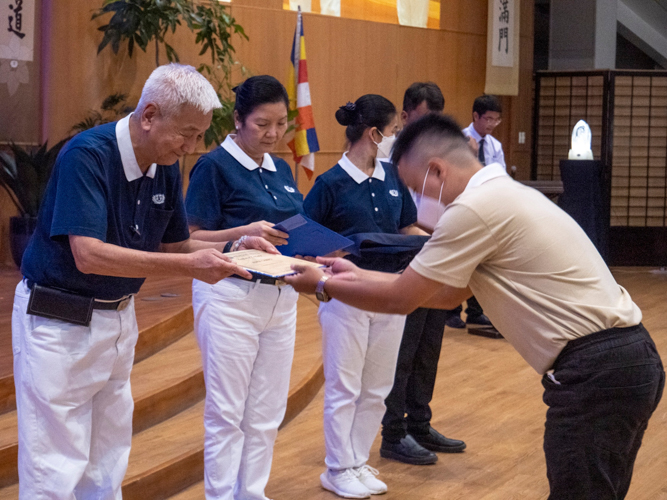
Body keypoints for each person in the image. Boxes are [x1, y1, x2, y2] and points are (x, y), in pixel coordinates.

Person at [285, 114, 664, 500]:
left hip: (594, 371)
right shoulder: (504, 192)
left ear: (436, 171)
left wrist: (323, 285)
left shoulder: (472, 210)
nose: (420, 202)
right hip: (627, 360)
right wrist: (352, 274)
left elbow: (402, 298)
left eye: (418, 189)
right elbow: (446, 294)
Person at [12, 63, 276, 500]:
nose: (192, 147)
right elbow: (89, 254)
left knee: (108, 460)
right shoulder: (88, 154)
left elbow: (176, 246)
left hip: (117, 320)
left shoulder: (163, 161)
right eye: (186, 134)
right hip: (59, 322)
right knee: (54, 468)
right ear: (149, 114)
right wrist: (193, 268)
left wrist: (234, 245)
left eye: (199, 137)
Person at [185, 75, 304, 500]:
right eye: (262, 124)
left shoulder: (283, 167)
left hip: (282, 298)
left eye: (281, 124)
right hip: (230, 298)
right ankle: (219, 495)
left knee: (267, 412)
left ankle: (252, 493)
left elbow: (294, 229)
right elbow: (189, 238)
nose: (273, 134)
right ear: (237, 120)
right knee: (227, 412)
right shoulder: (213, 166)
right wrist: (243, 231)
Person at [303, 95, 421, 498]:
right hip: (346, 298)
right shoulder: (328, 184)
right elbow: (303, 245)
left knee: (377, 386)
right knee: (344, 385)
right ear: (374, 134)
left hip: (392, 294)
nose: (396, 138)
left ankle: (356, 459)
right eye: (393, 132)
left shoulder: (393, 179)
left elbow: (408, 230)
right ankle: (337, 467)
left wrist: (446, 246)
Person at [380, 82, 466, 467]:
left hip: (438, 254)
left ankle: (419, 422)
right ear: (404, 115)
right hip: (405, 260)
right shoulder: (385, 157)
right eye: (423, 118)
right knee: (403, 351)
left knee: (429, 347)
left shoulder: (440, 157)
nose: (428, 128)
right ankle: (393, 433)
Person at [449, 94, 506, 330]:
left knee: (480, 260)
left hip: (485, 209)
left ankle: (475, 311)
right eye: (488, 119)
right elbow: (454, 174)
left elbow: (500, 177)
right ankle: (451, 311)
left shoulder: (495, 146)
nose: (492, 124)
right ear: (476, 116)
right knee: (457, 260)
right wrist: (471, 155)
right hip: (461, 206)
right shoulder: (457, 139)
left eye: (496, 120)